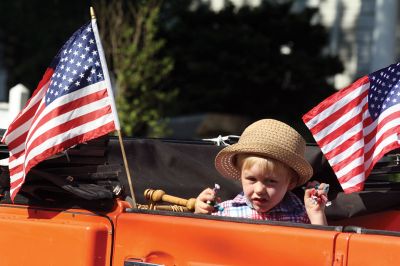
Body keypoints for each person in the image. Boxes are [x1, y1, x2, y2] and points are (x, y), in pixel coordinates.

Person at [195, 119, 328, 225]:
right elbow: (198, 246)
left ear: (291, 182)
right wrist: (200, 215)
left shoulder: (301, 215)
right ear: (241, 175)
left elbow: (321, 250)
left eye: (271, 181)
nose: (259, 189)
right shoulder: (224, 212)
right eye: (252, 179)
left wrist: (316, 213)